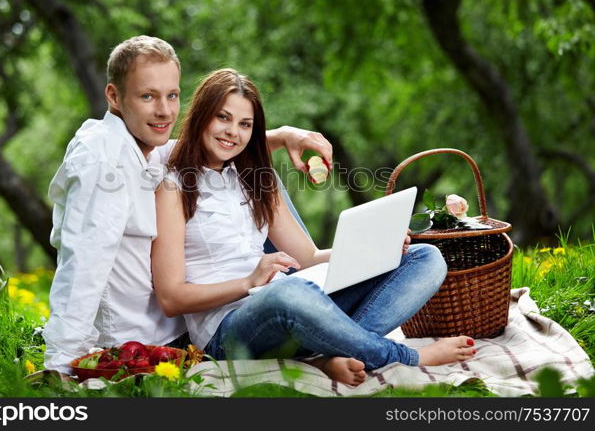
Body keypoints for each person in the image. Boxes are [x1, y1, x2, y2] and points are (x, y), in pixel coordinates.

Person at [151, 69, 476, 386]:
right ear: (202, 116)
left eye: (245, 124)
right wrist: (249, 281)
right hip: (228, 330)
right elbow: (171, 298)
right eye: (223, 118)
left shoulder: (256, 180)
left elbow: (307, 258)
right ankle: (406, 357)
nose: (233, 132)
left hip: (294, 303)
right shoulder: (173, 188)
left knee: (426, 258)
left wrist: (377, 249)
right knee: (290, 291)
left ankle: (328, 354)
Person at [43, 36, 333, 374]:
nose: (165, 111)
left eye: (172, 95)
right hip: (147, 343)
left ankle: (316, 330)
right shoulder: (103, 162)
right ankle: (322, 341)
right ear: (114, 96)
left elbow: (214, 145)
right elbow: (82, 267)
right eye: (147, 96)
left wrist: (284, 136)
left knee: (257, 176)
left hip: (183, 330)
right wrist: (61, 364)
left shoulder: (146, 146)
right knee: (254, 182)